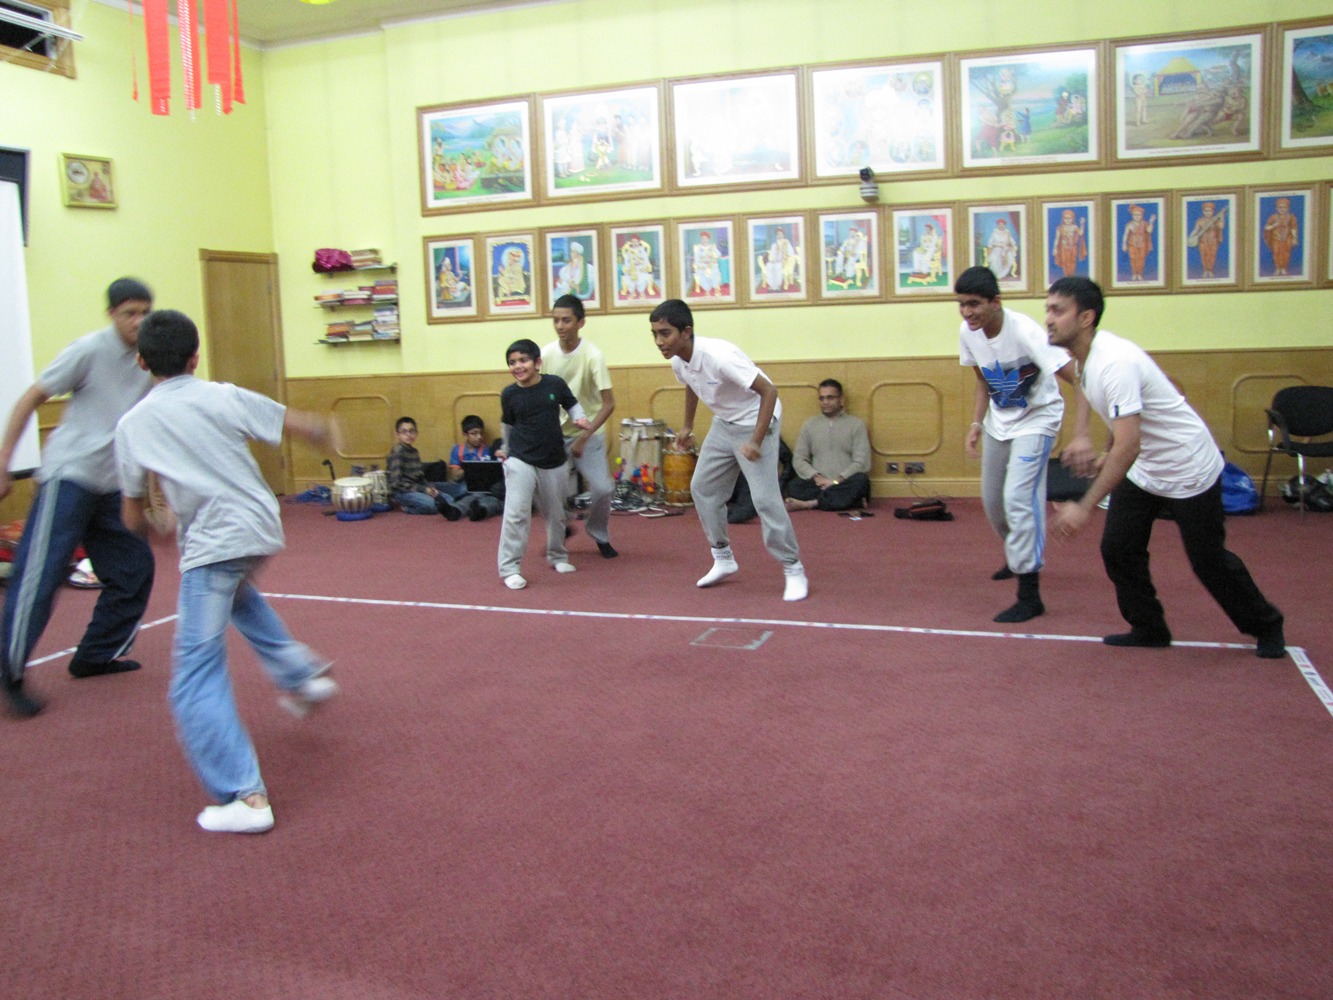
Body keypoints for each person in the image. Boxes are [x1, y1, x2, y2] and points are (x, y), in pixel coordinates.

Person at [115, 308, 343, 833]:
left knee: (193, 676)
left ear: (141, 361)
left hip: (214, 541)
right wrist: (322, 429)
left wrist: (155, 520)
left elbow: (131, 515)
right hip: (260, 526)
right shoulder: (222, 393)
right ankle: (300, 676)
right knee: (236, 595)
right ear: (196, 357)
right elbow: (299, 424)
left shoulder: (132, 425)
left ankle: (245, 797)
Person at [1046, 277, 1285, 658]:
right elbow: (1108, 409)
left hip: (1188, 466)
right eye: (1048, 309)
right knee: (1119, 548)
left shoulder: (1115, 363)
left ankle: (1267, 624)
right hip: (1146, 467)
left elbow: (1129, 444)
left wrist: (1084, 506)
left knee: (1208, 562)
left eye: (1057, 310)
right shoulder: (1087, 358)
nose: (1048, 318)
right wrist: (1086, 438)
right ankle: (1149, 627)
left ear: (1086, 317)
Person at [1, 278, 157, 718]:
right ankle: (8, 672)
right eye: (129, 312)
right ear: (111, 314)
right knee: (41, 573)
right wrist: (4, 462)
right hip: (69, 476)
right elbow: (30, 399)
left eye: (145, 312)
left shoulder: (151, 360)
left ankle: (94, 655)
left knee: (134, 569)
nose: (138, 321)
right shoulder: (88, 349)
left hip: (113, 485)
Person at [649, 299, 808, 602]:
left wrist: (756, 442)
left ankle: (793, 568)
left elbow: (769, 392)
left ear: (686, 332)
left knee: (764, 499)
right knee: (703, 488)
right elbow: (691, 384)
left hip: (758, 421)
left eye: (665, 333)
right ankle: (723, 558)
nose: (659, 341)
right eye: (655, 334)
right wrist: (686, 426)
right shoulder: (677, 360)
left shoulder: (719, 357)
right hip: (725, 424)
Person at [956, 265, 1088, 624]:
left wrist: (1081, 433)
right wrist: (975, 423)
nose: (967, 312)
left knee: (1018, 498)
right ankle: (1017, 554)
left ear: (995, 302)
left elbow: (1078, 377)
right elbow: (983, 379)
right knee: (993, 502)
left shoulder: (1026, 331)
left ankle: (1030, 594)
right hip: (999, 423)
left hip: (1038, 419)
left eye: (974, 304)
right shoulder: (968, 333)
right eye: (961, 305)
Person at [496, 339, 591, 590]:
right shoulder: (509, 394)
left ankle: (557, 555)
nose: (518, 366)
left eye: (523, 360)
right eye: (512, 362)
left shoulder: (554, 384)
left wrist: (579, 418)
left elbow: (571, 403)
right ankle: (509, 568)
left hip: (554, 460)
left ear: (537, 363)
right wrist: (506, 449)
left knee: (556, 513)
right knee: (516, 513)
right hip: (520, 460)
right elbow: (507, 424)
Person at [542, 295, 618, 559]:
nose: (560, 326)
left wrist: (584, 438)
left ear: (580, 323)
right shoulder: (546, 354)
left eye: (566, 320)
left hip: (589, 433)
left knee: (603, 488)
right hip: (554, 434)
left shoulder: (593, 355)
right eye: (556, 320)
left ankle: (598, 532)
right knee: (541, 488)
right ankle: (561, 527)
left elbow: (609, 404)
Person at [784, 380, 872, 512]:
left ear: (841, 400)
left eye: (830, 398)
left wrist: (836, 481)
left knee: (861, 481)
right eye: (822, 398)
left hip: (844, 482)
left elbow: (862, 462)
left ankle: (810, 504)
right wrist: (817, 477)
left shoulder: (856, 425)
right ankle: (851, 501)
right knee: (793, 486)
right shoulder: (809, 425)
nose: (825, 402)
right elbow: (799, 459)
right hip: (817, 483)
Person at [386, 416, 466, 520]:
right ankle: (407, 508)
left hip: (418, 488)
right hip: (403, 492)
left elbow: (420, 477)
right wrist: (423, 489)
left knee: (449, 500)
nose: (408, 435)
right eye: (404, 432)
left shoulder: (414, 451)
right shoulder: (398, 453)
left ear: (416, 433)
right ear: (398, 434)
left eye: (411, 431)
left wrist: (429, 487)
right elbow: (395, 483)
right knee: (432, 505)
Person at [446, 415, 503, 521]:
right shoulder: (457, 449)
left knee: (485, 493)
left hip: (481, 487)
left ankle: (470, 507)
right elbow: (454, 476)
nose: (479, 437)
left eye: (481, 433)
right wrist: (469, 469)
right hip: (463, 485)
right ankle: (470, 505)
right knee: (458, 488)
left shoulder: (487, 450)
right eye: (474, 433)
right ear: (465, 434)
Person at [1187, 201, 1226, 279]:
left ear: (1213, 211)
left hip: (1213, 240)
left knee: (1212, 255)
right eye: (1206, 211)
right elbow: (1196, 229)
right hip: (1203, 240)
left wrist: (1221, 216)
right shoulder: (1200, 220)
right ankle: (1205, 270)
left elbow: (1221, 227)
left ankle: (1210, 270)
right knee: (1204, 255)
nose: (1208, 213)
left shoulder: (1216, 220)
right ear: (1203, 211)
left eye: (1210, 211)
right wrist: (1190, 237)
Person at [1262, 197, 1298, 277]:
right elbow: (1266, 228)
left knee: (1286, 253)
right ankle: (1278, 268)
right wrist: (1274, 225)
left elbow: (1293, 228)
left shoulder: (1291, 217)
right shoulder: (1273, 217)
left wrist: (1295, 238)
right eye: (1280, 207)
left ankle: (1283, 268)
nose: (1282, 209)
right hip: (1276, 239)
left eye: (1284, 207)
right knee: (1276, 253)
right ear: (1277, 208)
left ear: (1288, 208)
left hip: (1287, 238)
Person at [1121, 204, 1155, 282]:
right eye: (1135, 215)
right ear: (1132, 215)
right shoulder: (1129, 224)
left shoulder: (1145, 223)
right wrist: (1124, 244)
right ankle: (1134, 274)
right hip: (1132, 244)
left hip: (1142, 244)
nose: (1137, 216)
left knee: (1141, 259)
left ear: (1142, 215)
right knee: (1133, 259)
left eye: (1139, 215)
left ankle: (1139, 274)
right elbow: (1125, 235)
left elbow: (1149, 231)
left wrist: (1151, 221)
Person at [1051, 209, 1087, 279]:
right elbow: (1057, 239)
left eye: (1069, 218)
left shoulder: (1074, 227)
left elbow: (1080, 233)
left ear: (1072, 219)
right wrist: (1055, 249)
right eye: (1066, 218)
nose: (1068, 220)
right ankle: (1066, 277)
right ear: (1063, 219)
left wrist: (1082, 224)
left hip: (1072, 248)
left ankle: (1071, 277)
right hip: (1063, 248)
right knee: (1065, 262)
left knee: (1072, 262)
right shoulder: (1060, 228)